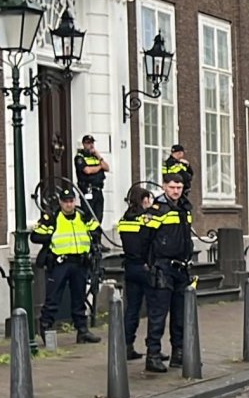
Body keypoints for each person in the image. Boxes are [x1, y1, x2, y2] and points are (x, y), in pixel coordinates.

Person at [31, 186, 102, 343]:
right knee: (53, 298)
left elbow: (97, 231)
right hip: (60, 263)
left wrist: (93, 240)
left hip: (80, 262)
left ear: (75, 201)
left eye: (71, 201)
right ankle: (46, 327)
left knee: (79, 298)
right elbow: (35, 236)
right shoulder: (53, 217)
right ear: (60, 203)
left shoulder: (83, 216)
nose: (69, 205)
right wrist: (50, 235)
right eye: (66, 202)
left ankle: (82, 330)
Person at [142, 173, 194, 373]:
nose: (176, 191)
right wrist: (150, 264)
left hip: (181, 267)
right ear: (164, 186)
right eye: (172, 187)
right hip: (163, 267)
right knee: (158, 314)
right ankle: (153, 355)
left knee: (180, 314)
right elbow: (145, 239)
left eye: (179, 187)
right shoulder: (157, 210)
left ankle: (178, 353)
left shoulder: (184, 208)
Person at [116, 185, 156, 360]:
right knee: (154, 309)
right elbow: (150, 242)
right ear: (144, 200)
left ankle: (127, 346)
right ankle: (153, 348)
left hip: (130, 267)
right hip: (145, 267)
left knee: (132, 309)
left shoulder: (124, 221)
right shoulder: (145, 220)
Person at [73, 135, 109, 224]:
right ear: (83, 144)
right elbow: (87, 170)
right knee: (88, 215)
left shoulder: (95, 157)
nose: (91, 145)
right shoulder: (80, 157)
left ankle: (97, 235)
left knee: (99, 215)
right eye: (88, 143)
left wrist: (99, 156)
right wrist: (100, 167)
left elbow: (107, 167)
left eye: (92, 143)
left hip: (98, 190)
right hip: (87, 190)